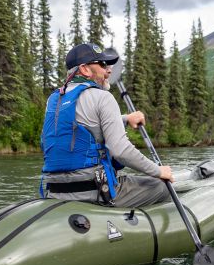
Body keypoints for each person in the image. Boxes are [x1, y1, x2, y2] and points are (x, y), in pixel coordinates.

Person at [40, 42, 172, 207]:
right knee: (162, 186)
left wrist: (125, 119)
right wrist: (158, 171)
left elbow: (82, 125)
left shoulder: (53, 100)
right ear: (85, 69)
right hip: (95, 192)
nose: (108, 69)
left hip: (54, 191)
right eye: (102, 64)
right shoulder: (103, 97)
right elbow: (121, 151)